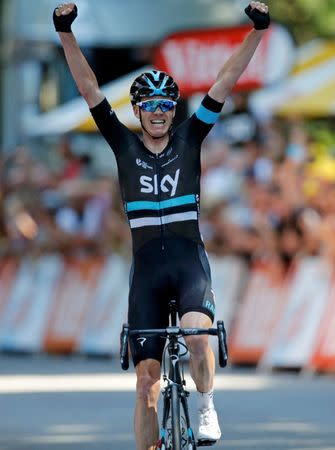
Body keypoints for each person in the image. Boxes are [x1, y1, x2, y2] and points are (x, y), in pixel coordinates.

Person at [52, 2, 270, 449]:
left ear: (174, 109)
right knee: (146, 383)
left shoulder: (192, 136)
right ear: (136, 110)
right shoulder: (123, 145)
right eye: (148, 105)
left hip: (189, 264)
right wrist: (65, 33)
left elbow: (225, 79)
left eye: (165, 104)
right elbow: (88, 86)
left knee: (196, 336)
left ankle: (207, 404)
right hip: (147, 272)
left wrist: (257, 30)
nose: (157, 112)